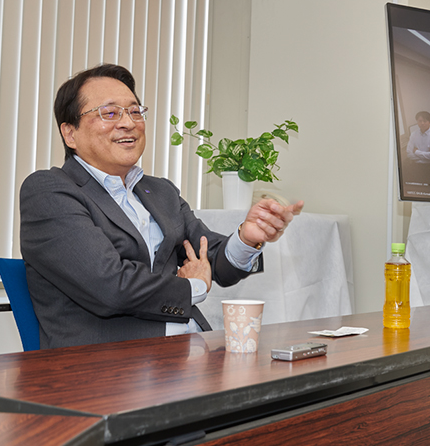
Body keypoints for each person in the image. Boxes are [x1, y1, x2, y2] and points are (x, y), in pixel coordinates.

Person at [20, 64, 304, 349]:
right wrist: (194, 286)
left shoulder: (160, 191)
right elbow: (110, 286)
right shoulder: (49, 191)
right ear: (70, 133)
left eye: (134, 111)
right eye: (109, 113)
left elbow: (211, 259)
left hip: (190, 354)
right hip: (111, 365)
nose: (128, 123)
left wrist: (247, 238)